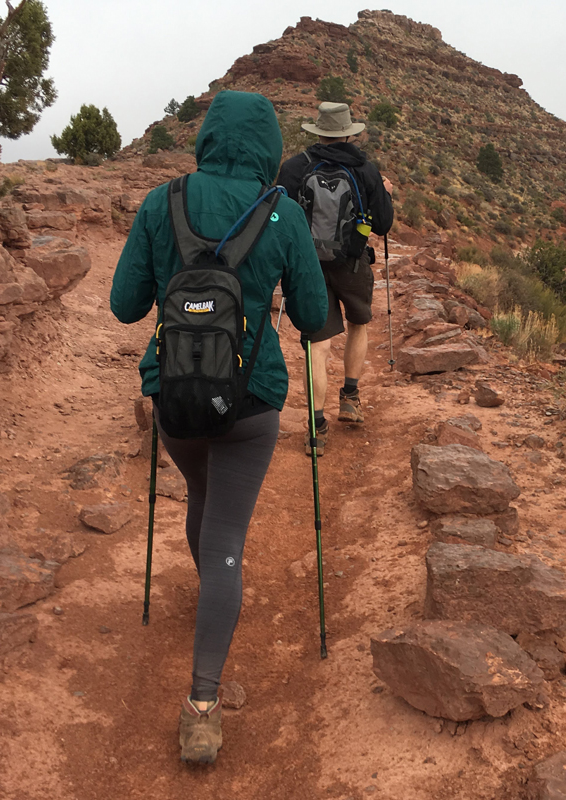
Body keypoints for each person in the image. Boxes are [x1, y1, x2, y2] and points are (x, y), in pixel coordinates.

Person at [110, 90, 327, 765]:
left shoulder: (161, 201)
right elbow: (316, 319)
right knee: (226, 529)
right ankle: (203, 705)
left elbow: (125, 306)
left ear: (206, 136)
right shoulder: (283, 212)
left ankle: (213, 595)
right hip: (252, 403)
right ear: (267, 144)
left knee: (201, 499)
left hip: (174, 401)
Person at [276, 102, 394, 455]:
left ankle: (317, 425)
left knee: (318, 344)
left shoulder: (295, 168)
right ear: (348, 132)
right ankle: (351, 397)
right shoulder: (366, 170)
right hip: (353, 264)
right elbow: (384, 225)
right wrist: (384, 193)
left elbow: (277, 217)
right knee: (359, 324)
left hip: (307, 267)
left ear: (318, 131)